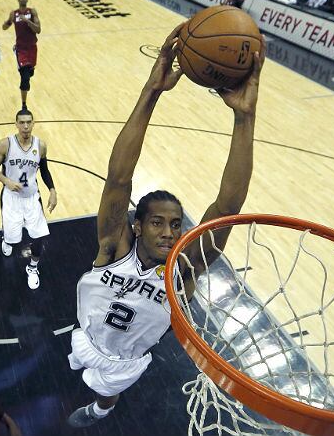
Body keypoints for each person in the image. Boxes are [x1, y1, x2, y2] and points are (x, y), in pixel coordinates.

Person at [66, 24, 265, 428]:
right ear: (136, 226)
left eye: (176, 224)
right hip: (85, 337)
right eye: (157, 222)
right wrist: (151, 91)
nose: (169, 232)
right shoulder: (113, 247)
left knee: (107, 391)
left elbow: (227, 204)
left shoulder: (184, 268)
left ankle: (102, 408)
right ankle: (98, 396)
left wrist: (245, 118)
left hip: (128, 359)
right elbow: (118, 180)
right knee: (82, 371)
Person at [0, 108, 56, 290]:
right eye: (22, 122)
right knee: (13, 240)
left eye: (29, 122)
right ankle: (6, 239)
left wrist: (52, 190)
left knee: (39, 237)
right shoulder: (5, 144)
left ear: (33, 123)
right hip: (11, 198)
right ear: (16, 124)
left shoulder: (40, 146)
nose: (26, 126)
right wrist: (7, 181)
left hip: (32, 198)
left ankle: (32, 267)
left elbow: (44, 170)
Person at [3, 0, 41, 110]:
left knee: (29, 73)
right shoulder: (14, 14)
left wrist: (27, 21)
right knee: (25, 78)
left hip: (32, 48)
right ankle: (24, 105)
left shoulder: (32, 12)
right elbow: (5, 27)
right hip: (21, 49)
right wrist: (7, 22)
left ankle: (29, 71)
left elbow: (38, 30)